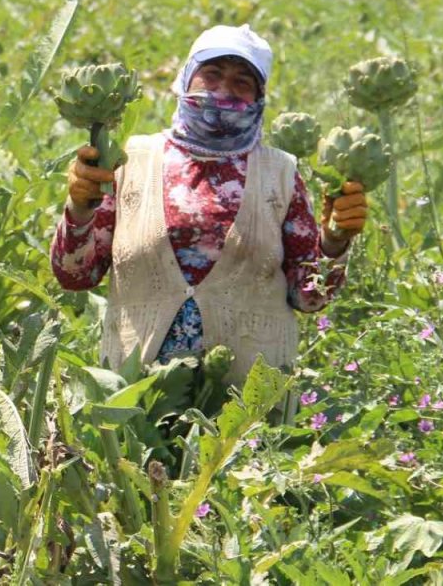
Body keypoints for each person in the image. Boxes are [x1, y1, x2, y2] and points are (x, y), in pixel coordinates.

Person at [51, 24, 368, 386]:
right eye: (212, 75)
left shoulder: (281, 174)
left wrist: (335, 241)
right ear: (185, 80)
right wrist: (79, 211)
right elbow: (75, 276)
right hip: (136, 393)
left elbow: (308, 297)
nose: (223, 90)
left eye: (242, 83)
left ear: (259, 98)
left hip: (246, 399)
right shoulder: (129, 161)